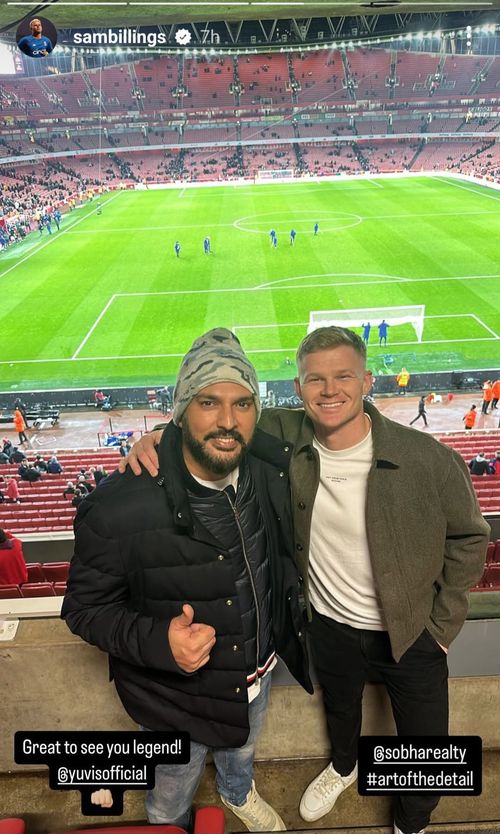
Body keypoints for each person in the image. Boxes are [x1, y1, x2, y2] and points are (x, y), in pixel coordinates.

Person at [125, 326, 489, 834]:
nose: (329, 389)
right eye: (315, 379)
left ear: (366, 380)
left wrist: (442, 623)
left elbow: (471, 538)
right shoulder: (282, 434)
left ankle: (412, 822)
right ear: (298, 389)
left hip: (413, 633)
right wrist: (157, 435)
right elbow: (213, 418)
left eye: (343, 376)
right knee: (340, 713)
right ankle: (344, 767)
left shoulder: (428, 458)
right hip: (331, 627)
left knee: (426, 748)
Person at [62, 328, 312, 831]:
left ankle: (237, 794)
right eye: (207, 401)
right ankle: (165, 821)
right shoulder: (118, 505)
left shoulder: (267, 466)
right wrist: (160, 642)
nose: (227, 420)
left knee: (241, 751)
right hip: (171, 698)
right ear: (180, 409)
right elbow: (83, 609)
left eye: (243, 403)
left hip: (255, 672)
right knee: (171, 786)